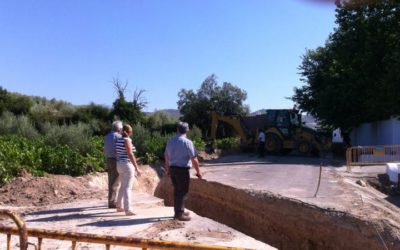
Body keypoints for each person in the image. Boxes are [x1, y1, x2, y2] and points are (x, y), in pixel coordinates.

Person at [164, 122, 202, 221]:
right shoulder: (188, 142)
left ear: (177, 130)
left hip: (172, 169)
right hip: (182, 170)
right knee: (182, 192)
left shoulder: (170, 141)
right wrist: (198, 172)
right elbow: (194, 159)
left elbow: (166, 156)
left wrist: (167, 169)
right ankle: (179, 214)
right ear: (187, 130)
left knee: (177, 191)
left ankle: (180, 210)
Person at [115, 124, 141, 216]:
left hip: (119, 164)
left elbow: (117, 152)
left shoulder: (118, 140)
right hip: (127, 165)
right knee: (127, 187)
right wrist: (137, 168)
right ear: (129, 132)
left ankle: (119, 205)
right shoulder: (127, 140)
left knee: (122, 186)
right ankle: (128, 209)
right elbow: (130, 154)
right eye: (131, 131)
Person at [103, 120, 122, 208]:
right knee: (115, 182)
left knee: (111, 181)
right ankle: (112, 202)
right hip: (115, 160)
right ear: (118, 128)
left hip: (108, 159)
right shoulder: (118, 136)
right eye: (121, 128)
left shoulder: (107, 136)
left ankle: (111, 200)